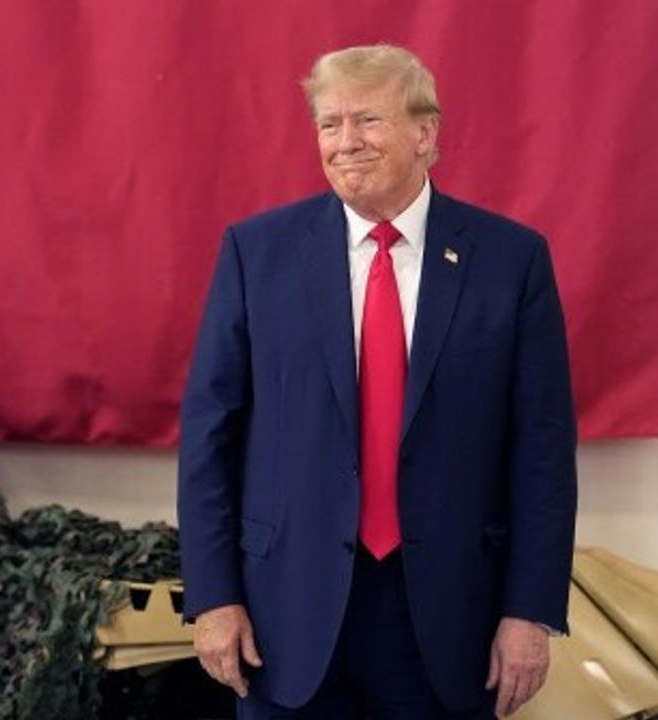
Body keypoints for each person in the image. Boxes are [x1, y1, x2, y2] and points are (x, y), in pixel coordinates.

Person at [178, 44, 577, 719]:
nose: (345, 143)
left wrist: (530, 613)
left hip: (451, 618)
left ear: (425, 133)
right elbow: (209, 434)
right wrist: (213, 597)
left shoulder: (511, 260)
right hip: (286, 613)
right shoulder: (257, 253)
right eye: (328, 124)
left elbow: (541, 451)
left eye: (367, 120)